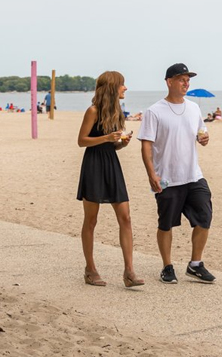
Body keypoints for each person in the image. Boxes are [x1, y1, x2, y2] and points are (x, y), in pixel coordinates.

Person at [139, 63, 215, 285]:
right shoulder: (154, 111)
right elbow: (146, 146)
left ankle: (195, 265)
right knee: (166, 224)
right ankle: (167, 266)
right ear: (169, 81)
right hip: (167, 178)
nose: (186, 83)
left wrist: (204, 138)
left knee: (204, 218)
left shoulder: (193, 108)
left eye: (188, 80)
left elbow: (202, 132)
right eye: (181, 79)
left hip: (194, 175)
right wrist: (151, 174)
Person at [76, 71, 143, 288]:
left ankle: (129, 272)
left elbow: (113, 144)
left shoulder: (117, 111)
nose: (125, 88)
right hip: (94, 164)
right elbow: (81, 141)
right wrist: (106, 137)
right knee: (91, 220)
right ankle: (90, 269)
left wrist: (121, 143)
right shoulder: (93, 111)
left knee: (125, 217)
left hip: (112, 163)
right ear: (112, 87)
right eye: (122, 84)